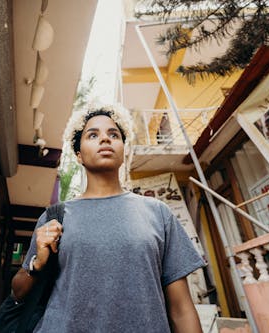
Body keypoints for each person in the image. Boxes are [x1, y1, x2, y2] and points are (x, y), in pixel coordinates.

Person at [12, 105, 205, 332]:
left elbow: (181, 309)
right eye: (93, 135)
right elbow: (18, 292)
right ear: (79, 155)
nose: (105, 139)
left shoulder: (158, 213)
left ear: (123, 149)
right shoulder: (55, 218)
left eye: (113, 135)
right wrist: (37, 263)